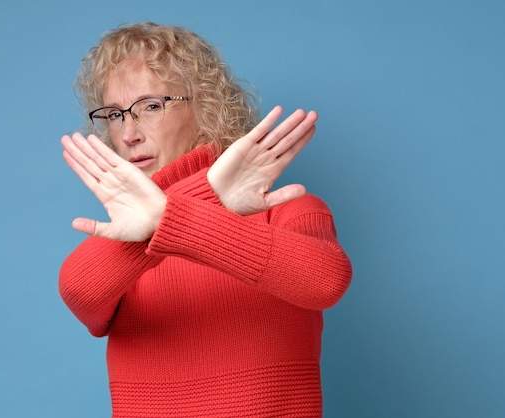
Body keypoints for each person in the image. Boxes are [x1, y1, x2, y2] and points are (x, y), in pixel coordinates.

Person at [59, 22, 352, 417]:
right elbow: (79, 290)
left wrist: (179, 214)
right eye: (114, 114)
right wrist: (205, 198)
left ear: (206, 106)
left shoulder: (288, 209)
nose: (128, 133)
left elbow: (325, 282)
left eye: (150, 106)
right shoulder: (125, 238)